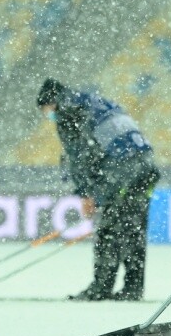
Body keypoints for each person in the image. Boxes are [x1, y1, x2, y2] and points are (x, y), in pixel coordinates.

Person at [37, 78, 160, 301]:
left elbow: (80, 156)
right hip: (146, 167)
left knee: (108, 231)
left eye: (46, 110)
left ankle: (101, 287)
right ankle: (133, 288)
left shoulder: (68, 112)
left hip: (122, 171)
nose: (48, 115)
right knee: (133, 232)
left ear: (52, 103)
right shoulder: (95, 102)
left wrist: (87, 195)